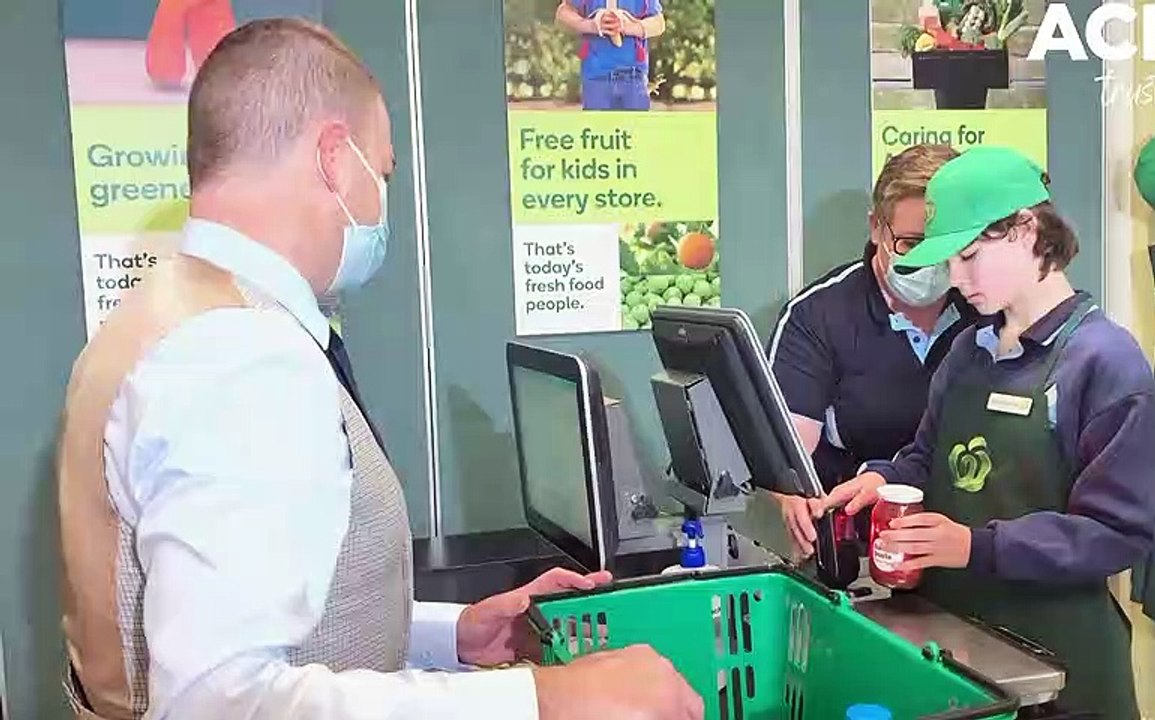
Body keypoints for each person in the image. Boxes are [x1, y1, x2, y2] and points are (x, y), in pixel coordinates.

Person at [55, 18, 702, 720]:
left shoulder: (159, 317)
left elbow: (261, 617)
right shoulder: (239, 355)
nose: (379, 201)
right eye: (383, 172)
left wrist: (451, 634)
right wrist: (542, 699)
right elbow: (218, 699)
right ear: (335, 158)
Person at [811, 146, 1155, 719]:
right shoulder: (968, 352)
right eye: (950, 259)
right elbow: (927, 458)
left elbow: (1117, 533)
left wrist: (977, 546)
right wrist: (882, 481)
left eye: (970, 256)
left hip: (1058, 670)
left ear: (1027, 230)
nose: (955, 277)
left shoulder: (1105, 365)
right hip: (955, 650)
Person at [768, 144, 977, 559]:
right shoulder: (821, 315)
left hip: (969, 543)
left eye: (945, 244)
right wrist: (794, 499)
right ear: (876, 228)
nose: (931, 261)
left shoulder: (987, 305)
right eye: (912, 243)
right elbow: (787, 454)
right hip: (862, 548)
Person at [555, 0, 665, 111]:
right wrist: (593, 25)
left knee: (634, 127)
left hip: (634, 77)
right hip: (596, 78)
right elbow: (563, 14)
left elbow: (659, 23)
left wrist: (627, 27)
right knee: (598, 128)